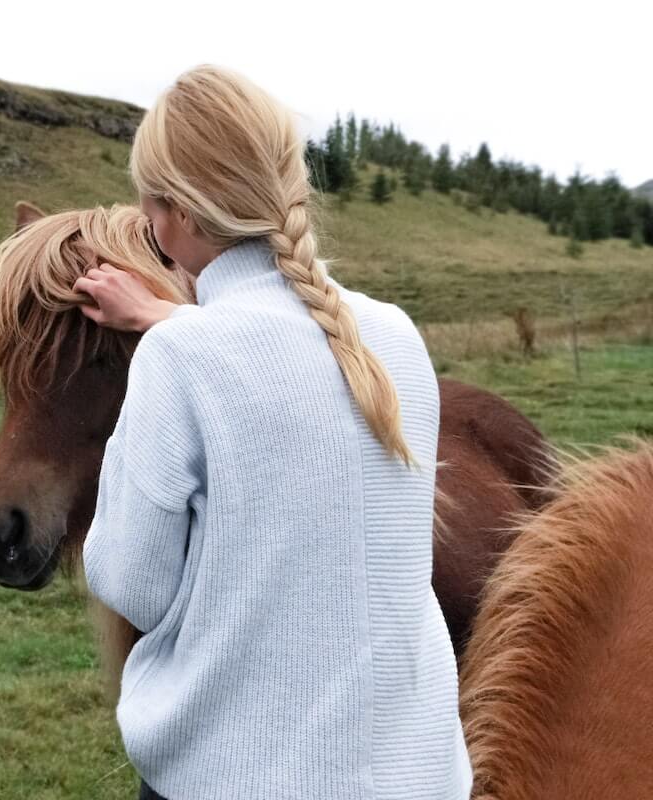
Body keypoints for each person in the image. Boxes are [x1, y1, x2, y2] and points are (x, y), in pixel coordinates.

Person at [75, 66, 472, 800]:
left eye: (150, 200)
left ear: (175, 216)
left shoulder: (179, 358)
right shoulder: (396, 337)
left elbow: (134, 585)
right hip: (420, 776)